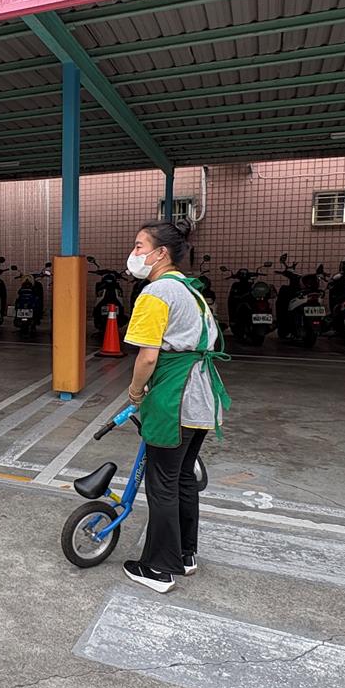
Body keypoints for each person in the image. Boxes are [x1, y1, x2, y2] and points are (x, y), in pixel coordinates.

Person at [120, 219, 231, 593]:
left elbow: (148, 357)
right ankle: (185, 555)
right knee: (183, 477)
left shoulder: (156, 293)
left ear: (160, 253)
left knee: (163, 482)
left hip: (175, 397)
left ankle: (158, 568)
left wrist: (135, 392)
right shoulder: (191, 290)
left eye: (139, 246)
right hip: (202, 397)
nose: (134, 254)